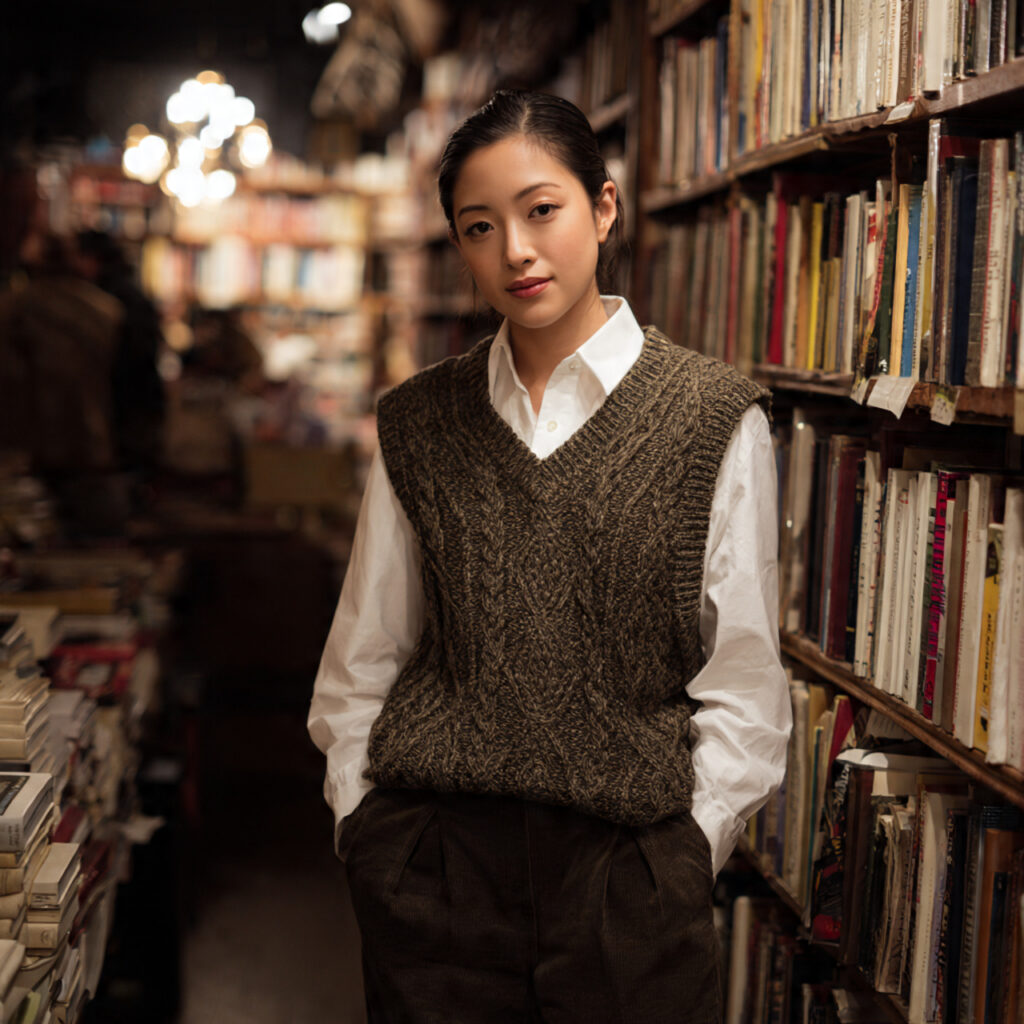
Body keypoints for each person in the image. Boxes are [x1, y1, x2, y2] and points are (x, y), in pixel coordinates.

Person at [308, 89, 792, 1024]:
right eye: (479, 227)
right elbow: (365, 655)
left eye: (542, 210)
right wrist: (364, 827)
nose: (515, 252)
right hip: (436, 875)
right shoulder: (419, 420)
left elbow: (743, 677)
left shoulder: (710, 416)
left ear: (603, 208)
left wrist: (681, 856)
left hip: (628, 882)